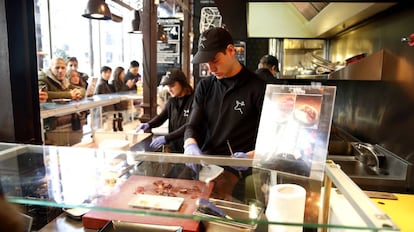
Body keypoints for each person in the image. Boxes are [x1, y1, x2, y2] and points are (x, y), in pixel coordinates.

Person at [184, 27, 266, 201]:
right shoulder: (205, 86)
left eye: (215, 60)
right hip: (205, 167)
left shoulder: (257, 87)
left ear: (231, 51)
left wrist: (252, 155)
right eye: (206, 62)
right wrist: (190, 144)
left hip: (237, 172)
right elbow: (193, 125)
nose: (211, 68)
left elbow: (270, 135)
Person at [136, 68, 194, 153]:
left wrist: (166, 138)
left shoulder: (194, 100)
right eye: (168, 86)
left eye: (172, 86)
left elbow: (189, 126)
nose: (169, 89)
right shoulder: (172, 101)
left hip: (189, 147)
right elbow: (161, 117)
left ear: (182, 83)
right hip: (174, 148)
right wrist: (149, 124)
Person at [38, 57, 86, 145]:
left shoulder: (64, 80)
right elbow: (44, 94)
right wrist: (69, 95)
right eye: (57, 67)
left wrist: (78, 92)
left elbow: (81, 89)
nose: (60, 70)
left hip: (67, 122)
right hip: (52, 126)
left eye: (63, 68)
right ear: (50, 68)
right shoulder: (42, 77)